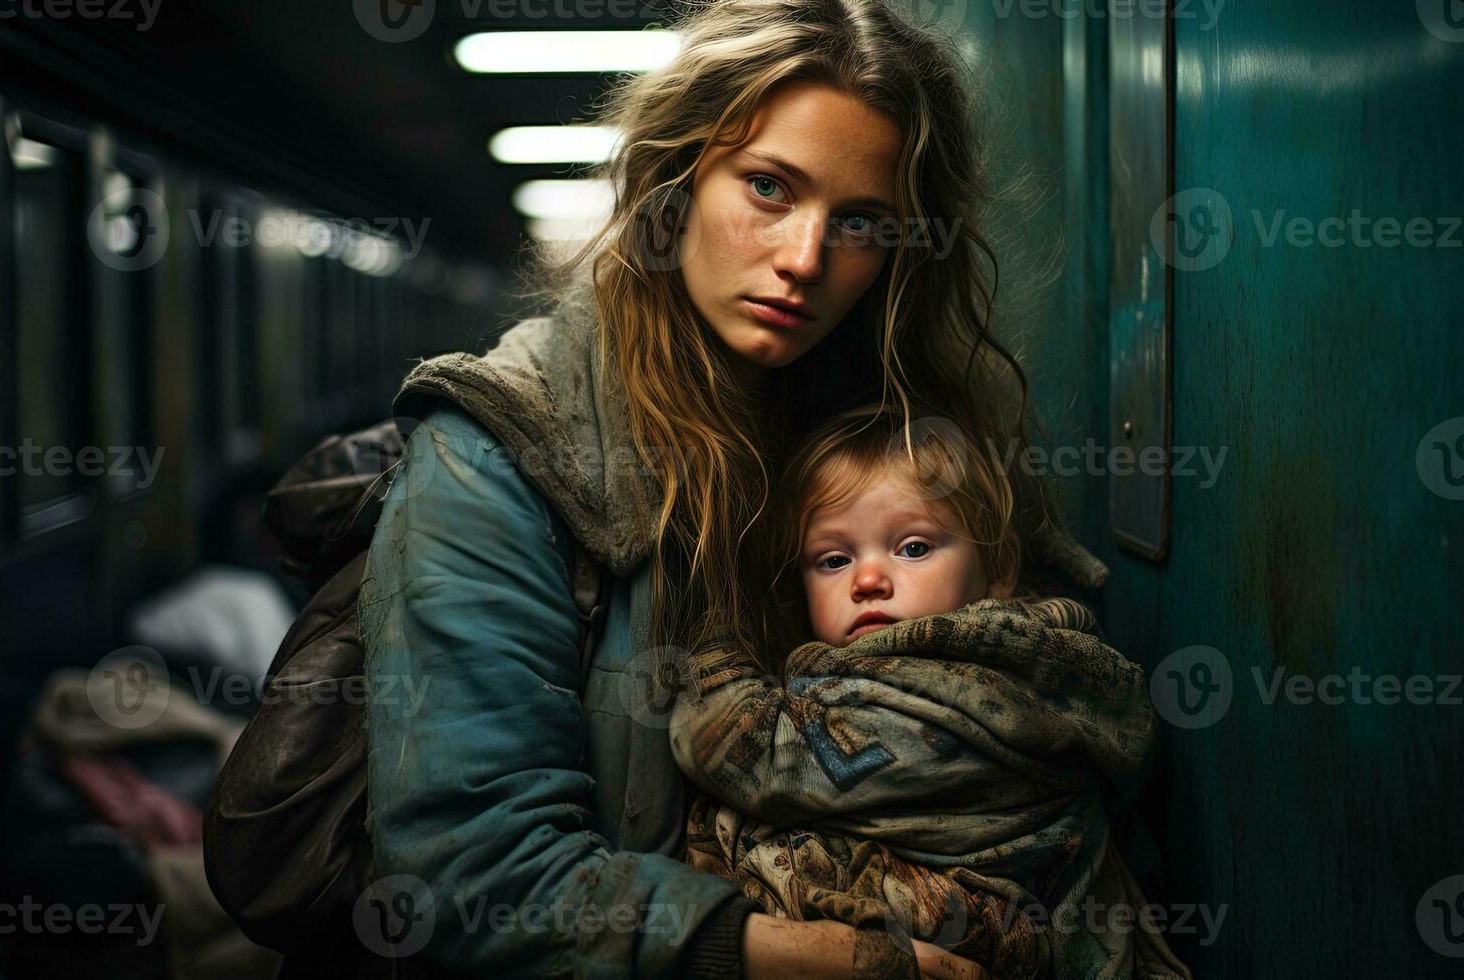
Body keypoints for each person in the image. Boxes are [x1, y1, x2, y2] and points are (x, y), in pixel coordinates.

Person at [360, 0, 1108, 976]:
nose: (804, 258)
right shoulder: (496, 453)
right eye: (767, 188)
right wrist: (842, 956)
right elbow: (470, 877)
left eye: (861, 221)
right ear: (676, 182)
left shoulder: (907, 438)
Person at [669, 406, 1194, 980]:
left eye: (913, 547)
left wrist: (714, 628)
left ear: (997, 569)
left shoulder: (954, 689)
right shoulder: (1052, 670)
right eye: (834, 559)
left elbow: (744, 747)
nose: (867, 580)